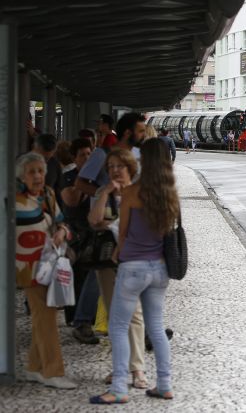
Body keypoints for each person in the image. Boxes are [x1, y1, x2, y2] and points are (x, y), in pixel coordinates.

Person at [91, 139, 178, 404]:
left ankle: (119, 388)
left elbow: (124, 233)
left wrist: (117, 256)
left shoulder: (132, 193)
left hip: (133, 268)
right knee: (156, 327)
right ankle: (164, 384)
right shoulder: (170, 194)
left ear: (144, 162)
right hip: (160, 269)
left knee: (117, 326)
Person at [15, 152, 76, 389]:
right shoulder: (13, 199)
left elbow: (63, 222)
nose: (38, 176)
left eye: (41, 171)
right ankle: (53, 371)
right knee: (47, 316)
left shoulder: (49, 194)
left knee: (44, 316)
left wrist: (62, 231)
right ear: (22, 176)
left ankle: (34, 367)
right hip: (27, 267)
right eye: (32, 172)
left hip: (50, 262)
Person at [88, 149, 148, 391]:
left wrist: (112, 225)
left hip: (133, 261)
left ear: (130, 169)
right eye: (111, 166)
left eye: (119, 166)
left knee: (133, 313)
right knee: (115, 316)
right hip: (107, 263)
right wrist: (105, 194)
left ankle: (138, 369)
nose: (114, 170)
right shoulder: (104, 192)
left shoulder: (139, 193)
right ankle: (120, 367)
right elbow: (94, 221)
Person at [59, 137, 98, 342]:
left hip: (92, 232)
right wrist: (83, 181)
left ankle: (85, 320)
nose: (86, 157)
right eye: (82, 154)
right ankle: (73, 317)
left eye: (89, 153)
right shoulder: (69, 176)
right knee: (73, 275)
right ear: (74, 157)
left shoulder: (97, 176)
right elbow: (71, 200)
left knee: (89, 274)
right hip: (73, 232)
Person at [76, 112, 146, 197]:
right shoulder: (101, 154)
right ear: (127, 133)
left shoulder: (140, 154)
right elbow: (80, 183)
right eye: (141, 131)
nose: (144, 135)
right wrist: (103, 194)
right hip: (106, 209)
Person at [33, 134, 62, 199]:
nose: (42, 161)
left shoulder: (55, 165)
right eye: (39, 157)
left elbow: (58, 193)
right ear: (34, 147)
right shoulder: (21, 163)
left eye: (46, 158)